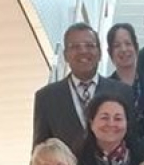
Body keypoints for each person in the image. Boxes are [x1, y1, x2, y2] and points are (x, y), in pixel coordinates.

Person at [33, 23, 137, 152]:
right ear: (65, 55)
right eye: (75, 47)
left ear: (99, 53)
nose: (83, 51)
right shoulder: (46, 97)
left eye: (89, 46)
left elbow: (132, 142)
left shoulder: (122, 92)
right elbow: (40, 151)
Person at [106, 22, 144, 136]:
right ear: (110, 53)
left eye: (128, 43)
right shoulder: (103, 90)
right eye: (117, 45)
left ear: (136, 48)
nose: (123, 49)